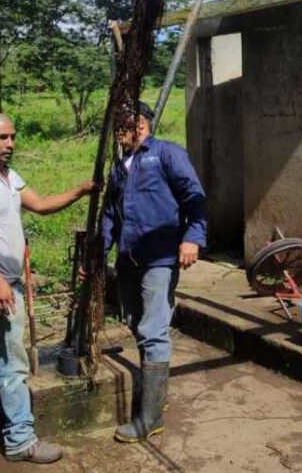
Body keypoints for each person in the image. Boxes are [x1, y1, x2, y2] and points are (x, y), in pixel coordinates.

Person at [0, 112, 94, 463]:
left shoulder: (8, 177)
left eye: (12, 137)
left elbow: (42, 205)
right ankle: (20, 440)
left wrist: (81, 190)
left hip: (4, 281)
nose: (10, 144)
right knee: (12, 362)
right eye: (2, 138)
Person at [102, 102, 206, 443]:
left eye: (126, 124)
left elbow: (194, 196)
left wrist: (193, 236)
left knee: (153, 330)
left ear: (143, 125)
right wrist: (100, 252)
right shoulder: (119, 167)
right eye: (117, 126)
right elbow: (109, 215)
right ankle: (157, 395)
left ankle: (150, 418)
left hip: (159, 258)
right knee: (133, 321)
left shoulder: (166, 154)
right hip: (129, 259)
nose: (121, 132)